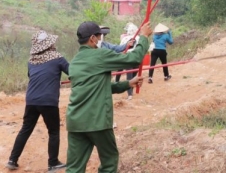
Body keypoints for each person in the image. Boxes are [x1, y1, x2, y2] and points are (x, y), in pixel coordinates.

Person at [65, 21, 151, 173]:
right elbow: (134, 59)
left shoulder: (74, 62)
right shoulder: (100, 55)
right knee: (109, 162)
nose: (100, 40)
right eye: (99, 37)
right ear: (92, 38)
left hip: (76, 122)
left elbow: (96, 87)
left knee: (74, 169)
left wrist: (127, 83)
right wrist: (143, 37)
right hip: (97, 120)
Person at [6, 30, 69, 172]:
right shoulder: (57, 57)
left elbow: (35, 76)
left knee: (25, 129)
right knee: (53, 131)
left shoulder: (31, 61)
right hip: (48, 100)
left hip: (31, 100)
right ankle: (53, 163)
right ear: (49, 44)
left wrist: (53, 79)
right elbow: (72, 72)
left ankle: (12, 160)